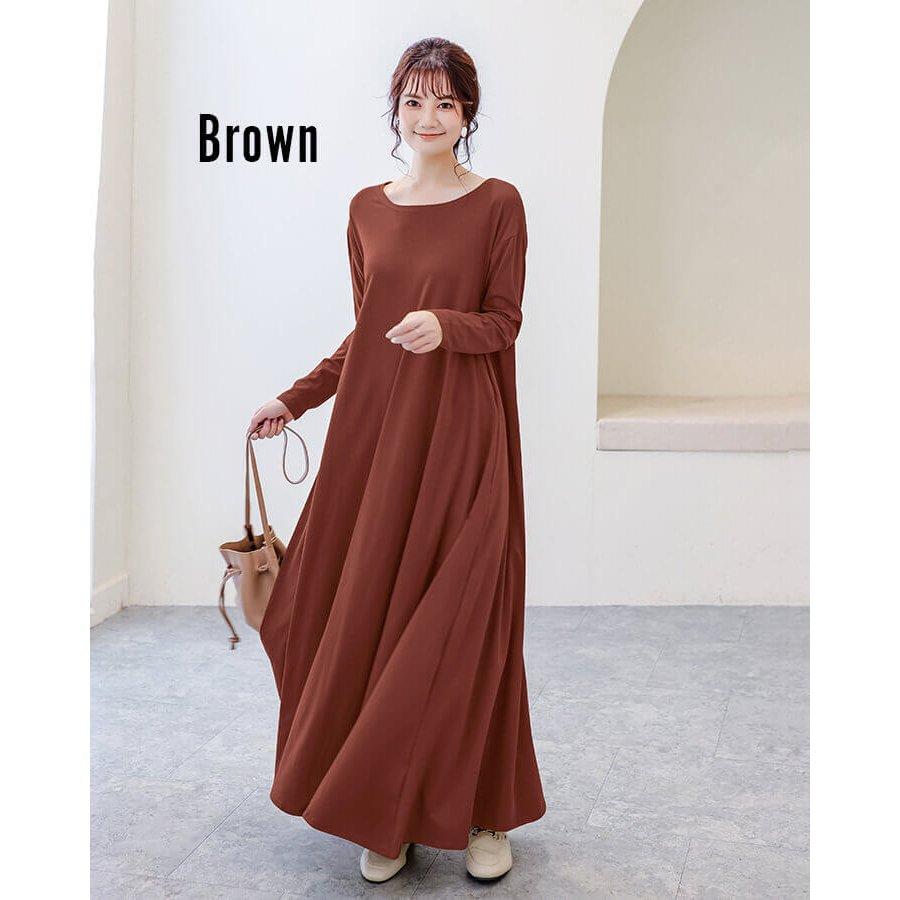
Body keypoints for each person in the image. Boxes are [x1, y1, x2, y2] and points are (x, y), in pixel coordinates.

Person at [246, 36, 546, 885]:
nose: (428, 117)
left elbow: (505, 321)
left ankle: (485, 811)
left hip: (464, 439)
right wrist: (295, 398)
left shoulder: (499, 204)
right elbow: (367, 331)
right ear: (396, 111)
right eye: (414, 101)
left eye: (445, 102)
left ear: (468, 113)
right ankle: (386, 808)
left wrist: (447, 327)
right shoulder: (367, 210)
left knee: (466, 622)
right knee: (371, 618)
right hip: (378, 441)